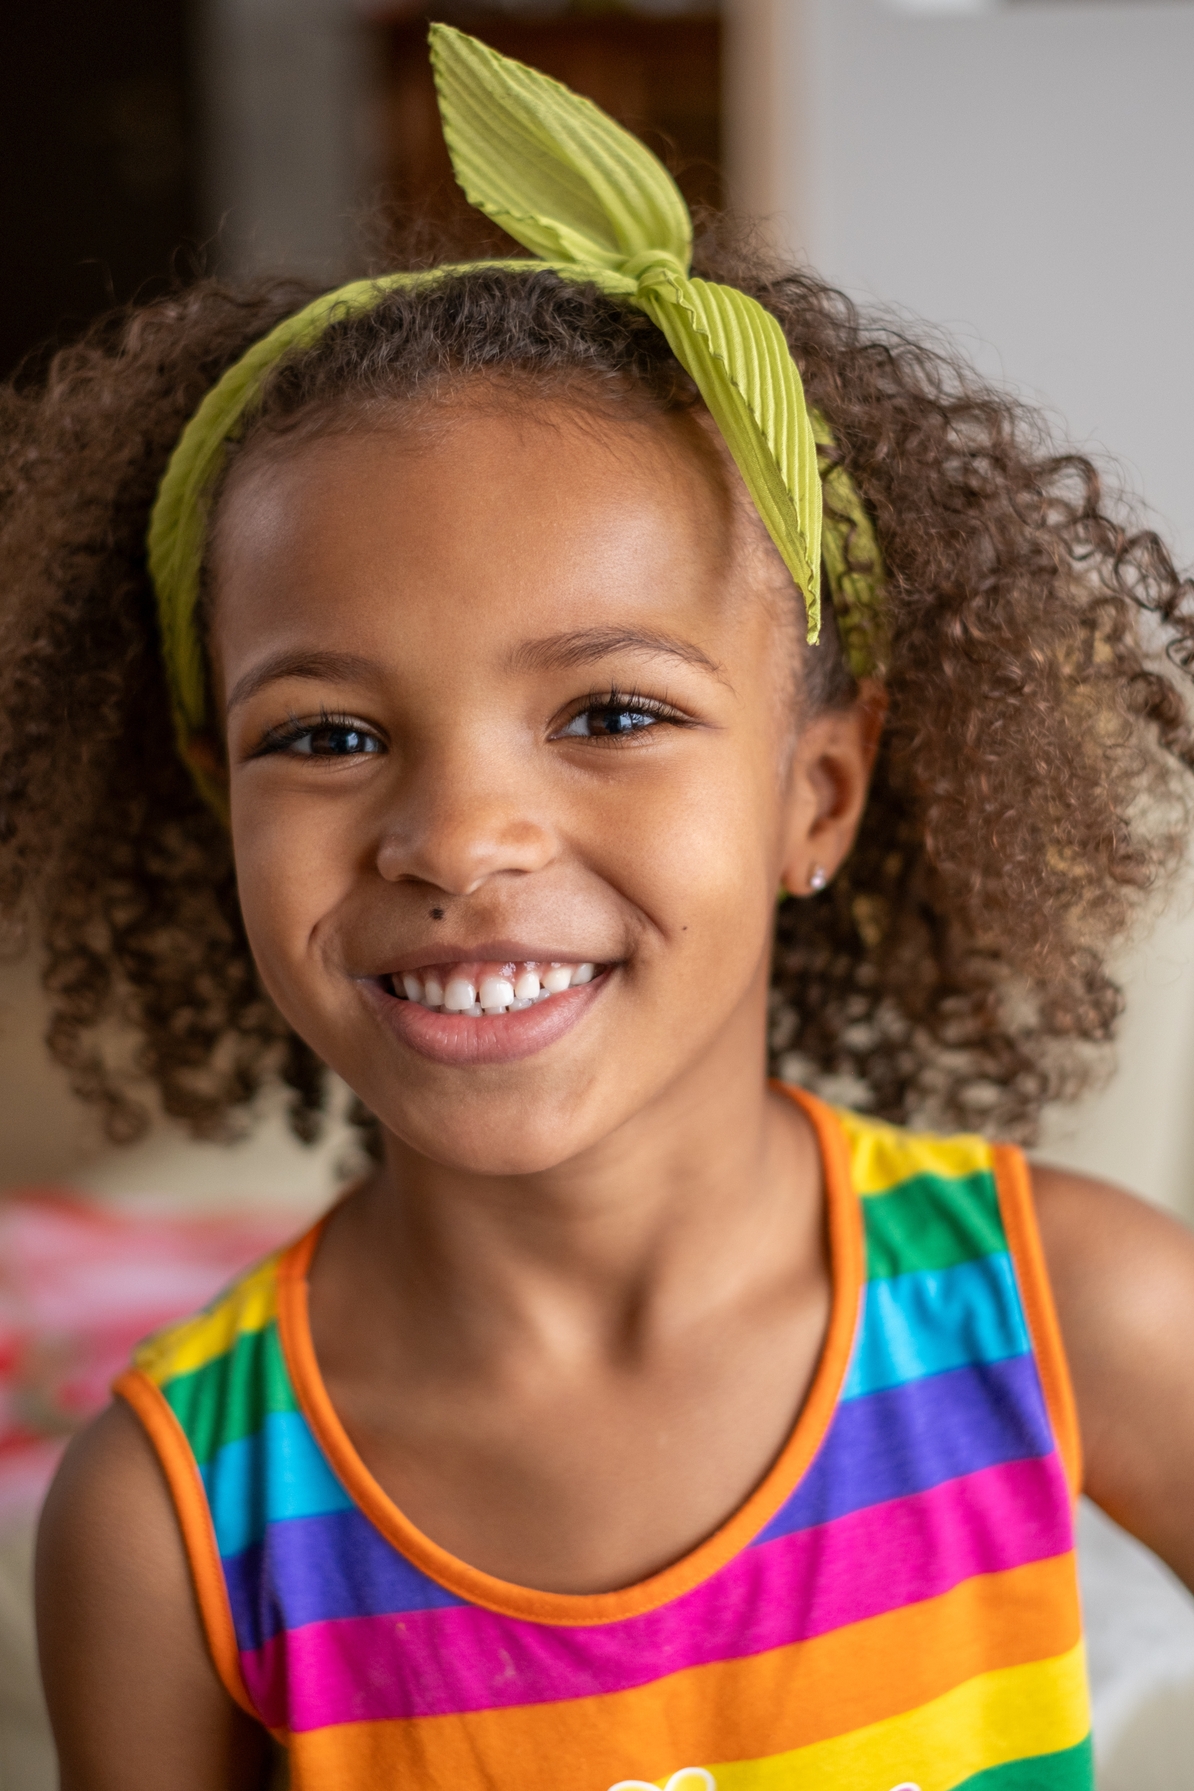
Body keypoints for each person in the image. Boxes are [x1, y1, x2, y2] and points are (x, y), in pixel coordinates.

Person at [9, 25, 1194, 1791]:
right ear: (214, 790)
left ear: (818, 791)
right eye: (326, 735)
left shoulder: (1077, 1314)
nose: (459, 836)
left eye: (612, 713)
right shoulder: (164, 1523)